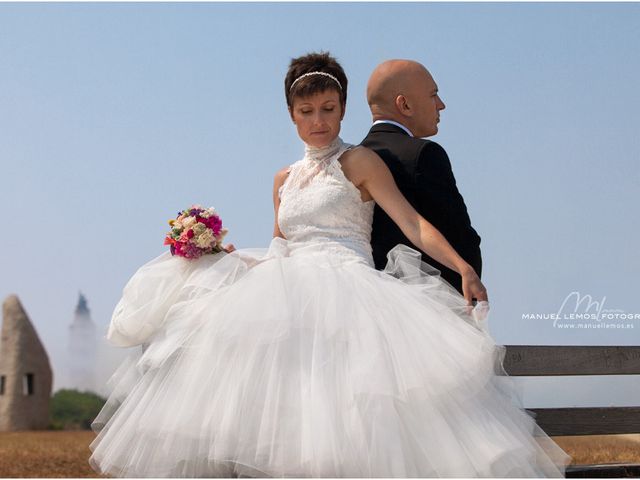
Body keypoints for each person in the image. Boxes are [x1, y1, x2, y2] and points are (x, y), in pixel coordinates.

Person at [89, 52, 570, 477]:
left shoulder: (360, 162)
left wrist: (463, 267)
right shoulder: (283, 179)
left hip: (349, 288)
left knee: (346, 418)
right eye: (306, 112)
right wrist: (228, 259)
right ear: (291, 116)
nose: (319, 122)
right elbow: (281, 243)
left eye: (329, 109)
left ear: (342, 110)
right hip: (287, 288)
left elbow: (411, 223)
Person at [361, 60, 482, 295]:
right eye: (433, 95)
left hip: (366, 301)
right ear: (404, 104)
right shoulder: (423, 154)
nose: (441, 105)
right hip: (424, 305)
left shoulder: (349, 161)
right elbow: (459, 237)